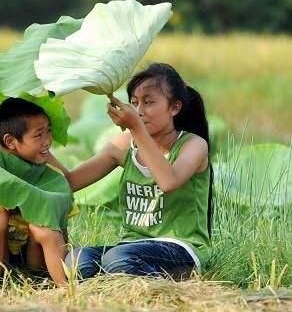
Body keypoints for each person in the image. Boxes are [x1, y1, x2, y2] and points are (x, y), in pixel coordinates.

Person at [63, 63, 212, 280]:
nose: (140, 111)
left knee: (116, 259)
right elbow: (71, 181)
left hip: (179, 247)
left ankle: (176, 279)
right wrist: (39, 149)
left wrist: (136, 128)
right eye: (134, 103)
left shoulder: (193, 145)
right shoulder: (125, 144)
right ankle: (119, 286)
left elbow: (168, 181)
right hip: (132, 246)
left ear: (174, 108)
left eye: (149, 102)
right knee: (78, 259)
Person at [0, 95, 75, 289]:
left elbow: (62, 233)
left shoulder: (54, 180)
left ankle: (65, 290)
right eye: (38, 135)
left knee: (43, 227)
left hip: (33, 262)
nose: (47, 141)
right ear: (10, 141)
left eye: (48, 132)